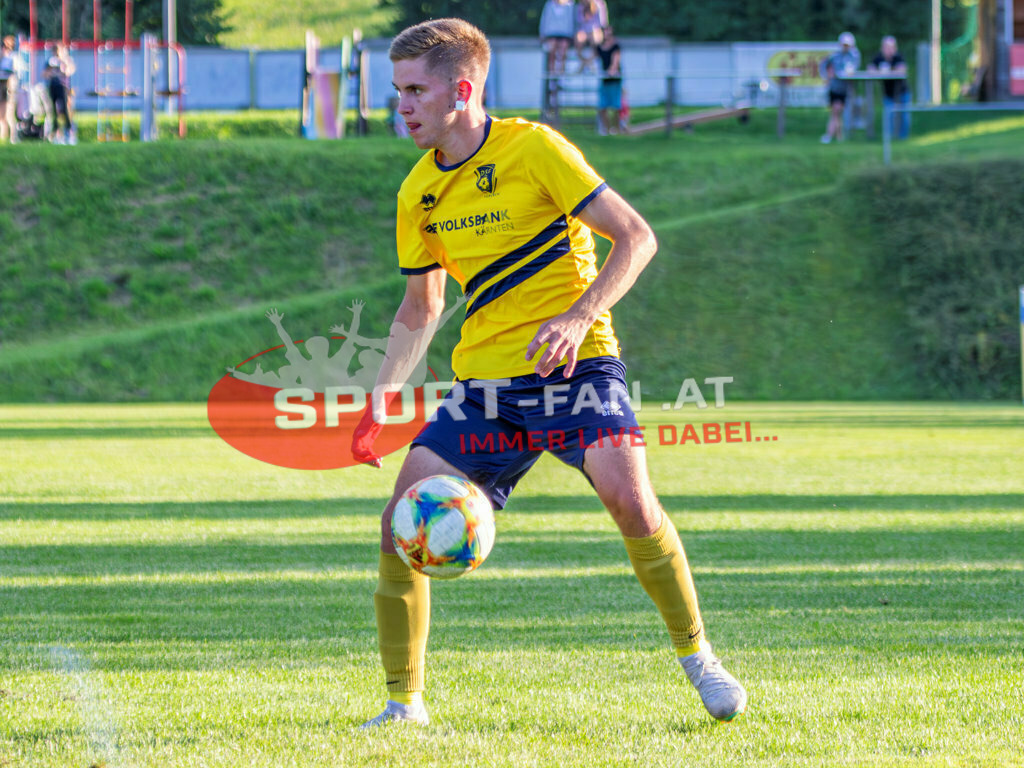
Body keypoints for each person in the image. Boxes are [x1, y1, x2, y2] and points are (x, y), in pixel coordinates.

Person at [359, 17, 747, 729]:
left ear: (462, 91)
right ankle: (403, 705)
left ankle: (700, 658)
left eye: (415, 91)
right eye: (398, 91)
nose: (401, 106)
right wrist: (382, 395)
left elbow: (636, 237)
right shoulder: (417, 192)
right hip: (486, 390)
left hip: (578, 370)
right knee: (399, 526)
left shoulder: (534, 148)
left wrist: (578, 315)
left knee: (632, 502)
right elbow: (421, 305)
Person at [819, 31, 860, 144]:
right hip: (835, 87)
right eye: (844, 44)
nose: (845, 47)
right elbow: (823, 65)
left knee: (837, 112)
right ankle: (833, 136)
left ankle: (836, 136)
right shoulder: (834, 56)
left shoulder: (854, 56)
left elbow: (853, 69)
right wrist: (827, 75)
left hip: (846, 88)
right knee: (836, 111)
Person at [868, 35, 910, 140]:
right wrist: (880, 71)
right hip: (888, 93)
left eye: (891, 47)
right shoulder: (879, 58)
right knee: (888, 115)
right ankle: (889, 138)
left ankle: (903, 137)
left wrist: (888, 70)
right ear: (882, 48)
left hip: (902, 91)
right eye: (886, 47)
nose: (888, 50)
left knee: (904, 115)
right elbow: (870, 69)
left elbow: (902, 70)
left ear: (895, 48)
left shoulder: (898, 57)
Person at [596, 26, 622, 135]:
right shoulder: (599, 47)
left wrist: (611, 71)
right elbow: (590, 59)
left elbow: (615, 63)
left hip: (614, 80)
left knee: (615, 107)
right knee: (603, 106)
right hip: (604, 80)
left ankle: (615, 129)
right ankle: (605, 129)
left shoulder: (616, 46)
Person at [539, 0, 576, 75]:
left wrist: (572, 35)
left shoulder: (570, 5)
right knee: (552, 51)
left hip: (565, 34)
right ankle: (552, 74)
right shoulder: (549, 4)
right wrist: (542, 34)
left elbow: (572, 20)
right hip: (552, 34)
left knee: (563, 52)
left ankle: (561, 73)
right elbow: (544, 19)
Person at [574, 0, 608, 73]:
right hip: (583, 31)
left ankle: (586, 64)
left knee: (595, 38)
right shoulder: (580, 6)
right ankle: (587, 63)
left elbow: (603, 23)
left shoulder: (600, 4)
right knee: (578, 39)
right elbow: (578, 22)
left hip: (595, 31)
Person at [0, 36, 19, 144]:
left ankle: (13, 137)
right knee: (1, 115)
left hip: (9, 86)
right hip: (1, 84)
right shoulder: (2, 56)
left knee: (10, 114)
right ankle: (3, 136)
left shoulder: (13, 57)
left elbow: (14, 71)